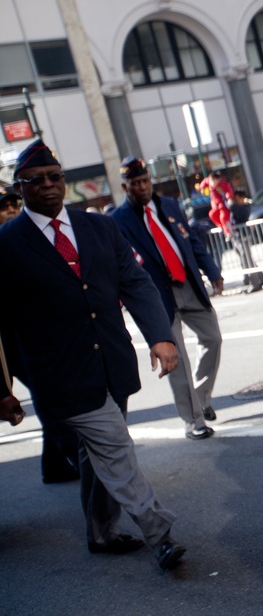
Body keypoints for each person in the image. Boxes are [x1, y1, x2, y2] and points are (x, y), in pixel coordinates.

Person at [0, 139, 187, 571]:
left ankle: (101, 533)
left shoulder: (98, 227)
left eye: (55, 177)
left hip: (112, 365)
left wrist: (160, 336)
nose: (48, 186)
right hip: (60, 376)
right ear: (19, 188)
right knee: (116, 447)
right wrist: (3, 388)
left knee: (97, 454)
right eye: (35, 181)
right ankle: (160, 533)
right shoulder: (6, 245)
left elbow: (136, 282)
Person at [112, 157, 223, 439]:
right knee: (178, 360)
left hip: (188, 284)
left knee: (212, 339)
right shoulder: (117, 221)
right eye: (135, 184)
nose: (142, 187)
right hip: (157, 297)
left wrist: (212, 271)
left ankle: (201, 396)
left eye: (145, 181)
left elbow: (191, 243)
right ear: (125, 187)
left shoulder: (169, 206)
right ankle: (193, 419)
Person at [0, 187, 80, 482]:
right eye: (3, 206)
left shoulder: (23, 241)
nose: (10, 210)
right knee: (52, 399)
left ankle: (55, 464)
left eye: (13, 204)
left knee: (49, 394)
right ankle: (77, 456)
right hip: (9, 346)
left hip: (32, 340)